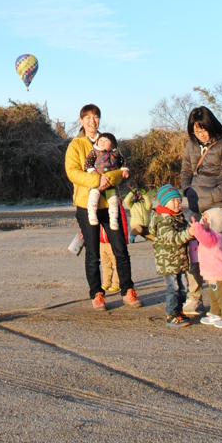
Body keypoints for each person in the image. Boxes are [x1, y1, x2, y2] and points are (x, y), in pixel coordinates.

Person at [64, 103, 141, 311]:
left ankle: (127, 290)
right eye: (87, 117)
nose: (92, 121)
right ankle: (97, 293)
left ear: (99, 119)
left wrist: (109, 178)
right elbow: (72, 172)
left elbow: (122, 168)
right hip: (85, 205)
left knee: (120, 248)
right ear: (81, 121)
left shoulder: (109, 141)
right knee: (93, 252)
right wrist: (96, 181)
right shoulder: (76, 145)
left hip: (110, 203)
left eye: (95, 116)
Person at [180, 106, 222, 316]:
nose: (201, 134)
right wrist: (187, 190)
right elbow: (186, 170)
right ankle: (195, 297)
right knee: (193, 254)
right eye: (196, 131)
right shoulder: (192, 144)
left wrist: (215, 196)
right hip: (196, 206)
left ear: (211, 125)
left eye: (203, 129)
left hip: (219, 207)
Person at [148, 183, 193, 327]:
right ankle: (171, 314)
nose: (177, 203)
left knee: (183, 287)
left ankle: (179, 310)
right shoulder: (163, 221)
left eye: (179, 200)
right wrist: (188, 234)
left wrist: (195, 228)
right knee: (173, 287)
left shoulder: (178, 217)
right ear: (164, 202)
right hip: (168, 262)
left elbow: (186, 230)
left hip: (179, 260)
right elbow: (173, 238)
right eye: (173, 201)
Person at [188, 208, 222, 328]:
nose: (202, 221)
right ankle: (215, 313)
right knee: (214, 295)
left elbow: (204, 238)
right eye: (202, 218)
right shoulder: (216, 236)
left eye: (206, 219)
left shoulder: (213, 237)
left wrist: (197, 227)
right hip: (214, 274)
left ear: (215, 223)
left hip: (219, 273)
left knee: (221, 296)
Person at [84, 132, 129, 230]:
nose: (103, 142)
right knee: (94, 194)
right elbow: (87, 163)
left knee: (113, 199)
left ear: (112, 144)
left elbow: (123, 162)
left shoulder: (116, 154)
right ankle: (91, 214)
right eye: (101, 140)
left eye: (106, 141)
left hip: (110, 182)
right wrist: (93, 173)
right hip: (97, 179)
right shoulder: (94, 152)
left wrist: (125, 170)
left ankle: (113, 219)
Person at [100, 196, 129, 293]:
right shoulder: (98, 205)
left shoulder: (117, 206)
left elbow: (123, 224)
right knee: (105, 264)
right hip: (101, 242)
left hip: (112, 241)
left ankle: (116, 283)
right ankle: (106, 282)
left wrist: (124, 239)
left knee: (116, 263)